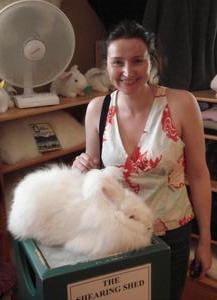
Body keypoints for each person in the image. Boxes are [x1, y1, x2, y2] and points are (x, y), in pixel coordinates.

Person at [72, 20, 212, 300]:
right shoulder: (97, 109)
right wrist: (81, 168)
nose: (127, 72)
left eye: (137, 61)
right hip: (119, 233)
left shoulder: (181, 103)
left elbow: (198, 174)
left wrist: (205, 240)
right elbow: (95, 173)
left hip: (171, 233)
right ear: (106, 65)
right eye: (117, 62)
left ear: (152, 61)